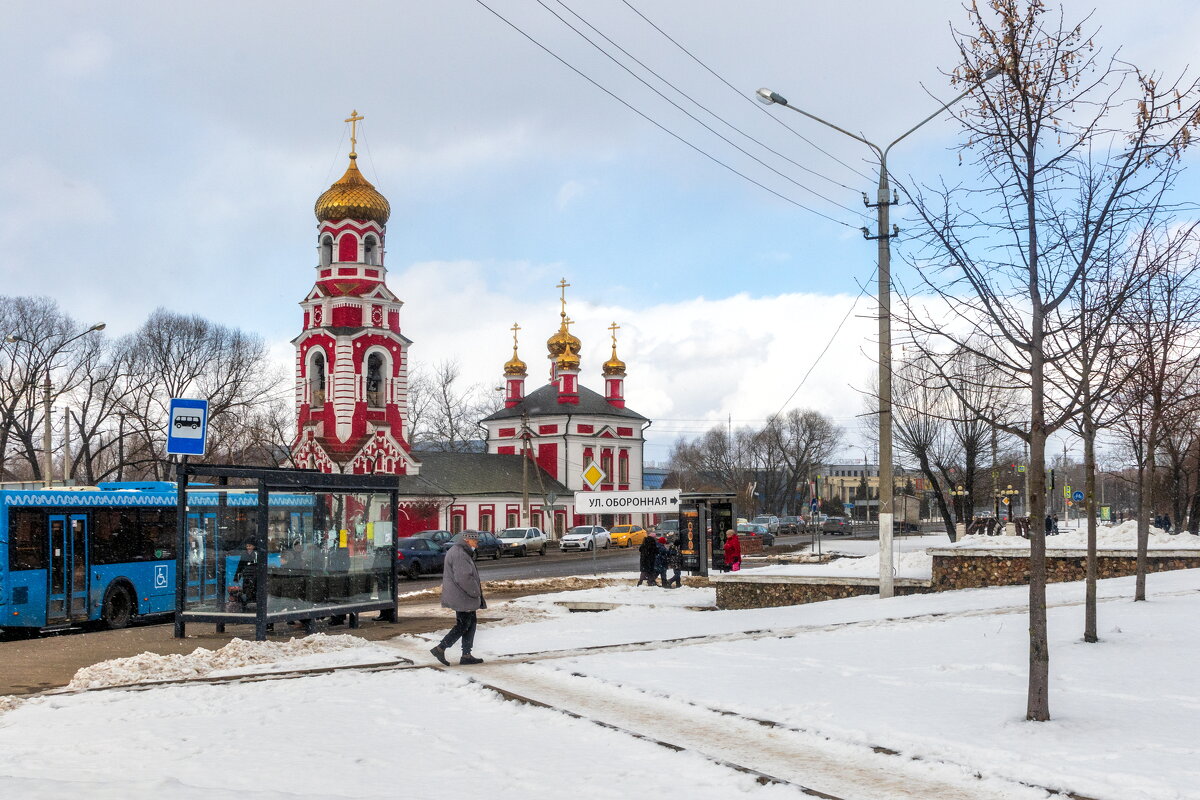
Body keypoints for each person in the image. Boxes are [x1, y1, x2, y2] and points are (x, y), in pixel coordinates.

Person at [430, 532, 485, 666]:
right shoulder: (460, 554)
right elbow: (464, 578)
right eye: (475, 541)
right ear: (467, 540)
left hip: (462, 595)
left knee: (470, 623)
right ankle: (440, 648)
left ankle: (466, 654)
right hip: (462, 595)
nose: (477, 544)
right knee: (463, 624)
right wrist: (475, 592)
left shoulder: (460, 551)